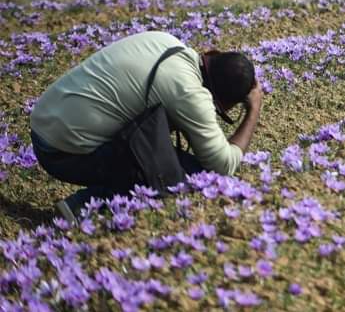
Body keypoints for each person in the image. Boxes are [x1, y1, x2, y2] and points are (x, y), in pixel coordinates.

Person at [29, 31, 263, 222]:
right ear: (218, 101)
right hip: (62, 154)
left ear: (212, 53)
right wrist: (253, 111)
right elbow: (222, 166)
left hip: (42, 123)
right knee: (192, 176)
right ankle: (83, 206)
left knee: (171, 157)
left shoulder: (165, 40)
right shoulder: (190, 94)